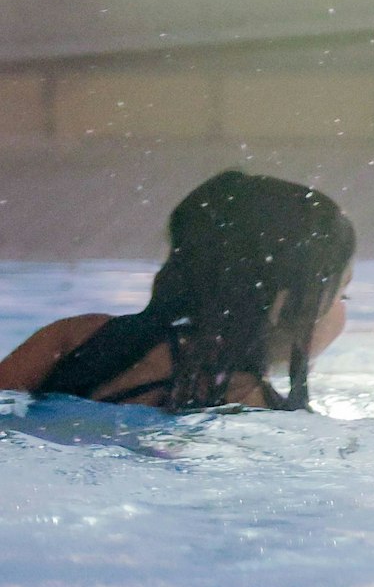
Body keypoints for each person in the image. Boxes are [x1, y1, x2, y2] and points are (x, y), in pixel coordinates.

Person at [0, 170, 354, 411]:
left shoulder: (75, 338)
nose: (344, 312)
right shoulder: (256, 407)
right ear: (285, 304)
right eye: (343, 295)